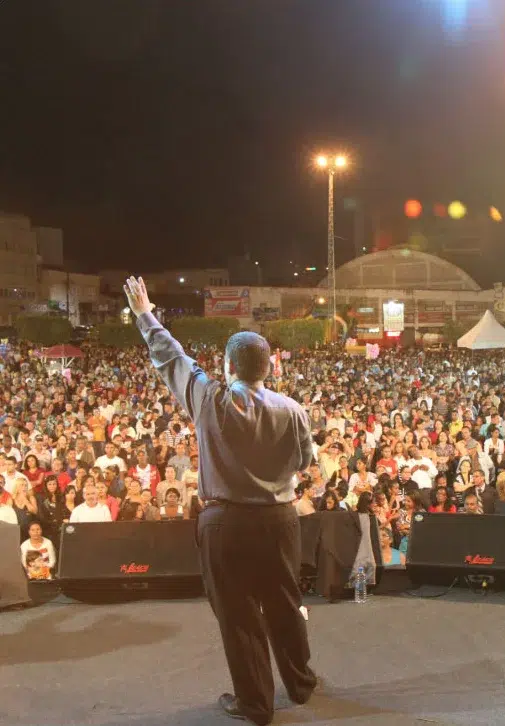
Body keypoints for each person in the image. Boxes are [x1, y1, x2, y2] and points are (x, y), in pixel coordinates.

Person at [125, 275, 317, 726]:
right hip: (280, 519)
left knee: (238, 614)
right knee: (285, 602)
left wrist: (145, 314)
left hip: (226, 523)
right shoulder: (293, 410)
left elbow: (173, 358)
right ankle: (301, 683)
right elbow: (304, 461)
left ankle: (256, 704)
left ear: (228, 366)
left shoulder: (210, 400)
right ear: (268, 367)